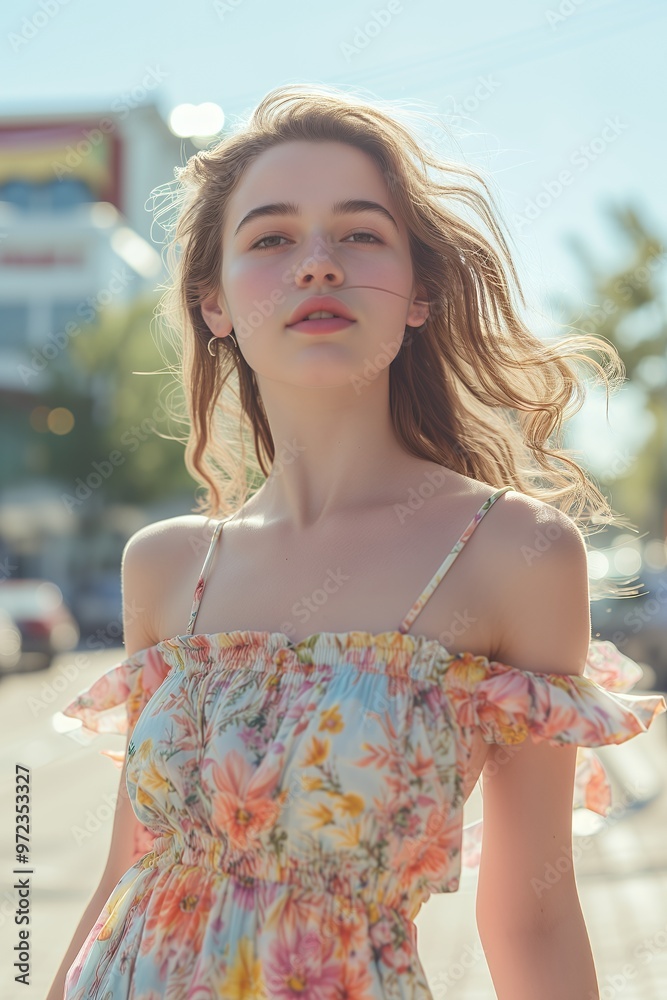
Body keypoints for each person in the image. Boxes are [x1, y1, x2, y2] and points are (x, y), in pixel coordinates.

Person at [48, 83, 666, 1000]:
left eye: (360, 233)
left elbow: (531, 918)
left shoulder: (514, 553)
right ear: (214, 304)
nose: (317, 265)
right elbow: (125, 875)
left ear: (417, 293)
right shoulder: (168, 564)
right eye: (270, 238)